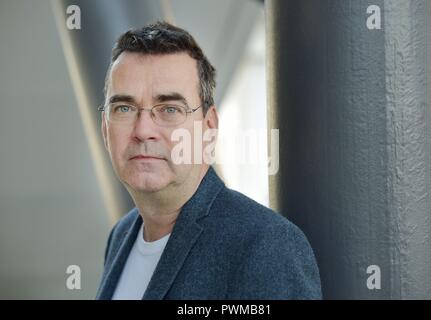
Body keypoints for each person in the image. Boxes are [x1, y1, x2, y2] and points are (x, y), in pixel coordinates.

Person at [95, 21, 322, 300]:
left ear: (209, 127)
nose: (143, 131)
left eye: (169, 109)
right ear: (105, 128)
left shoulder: (267, 245)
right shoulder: (121, 236)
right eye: (125, 108)